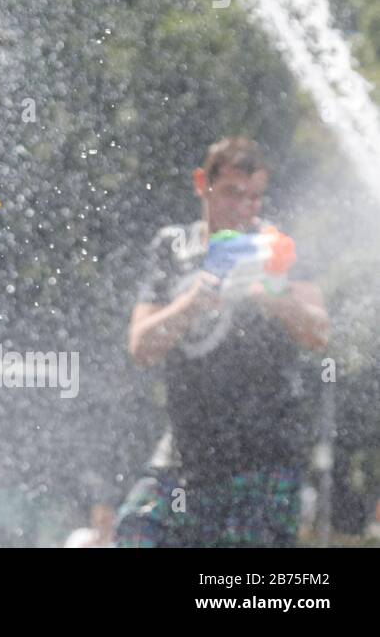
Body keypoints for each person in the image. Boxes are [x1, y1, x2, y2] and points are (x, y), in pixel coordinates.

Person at [114, 137, 329, 547]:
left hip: (263, 461)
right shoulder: (173, 248)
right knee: (134, 535)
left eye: (255, 198)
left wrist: (275, 297)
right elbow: (141, 347)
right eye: (232, 193)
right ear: (202, 183)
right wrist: (194, 301)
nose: (244, 208)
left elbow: (318, 332)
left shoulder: (277, 249)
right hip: (184, 457)